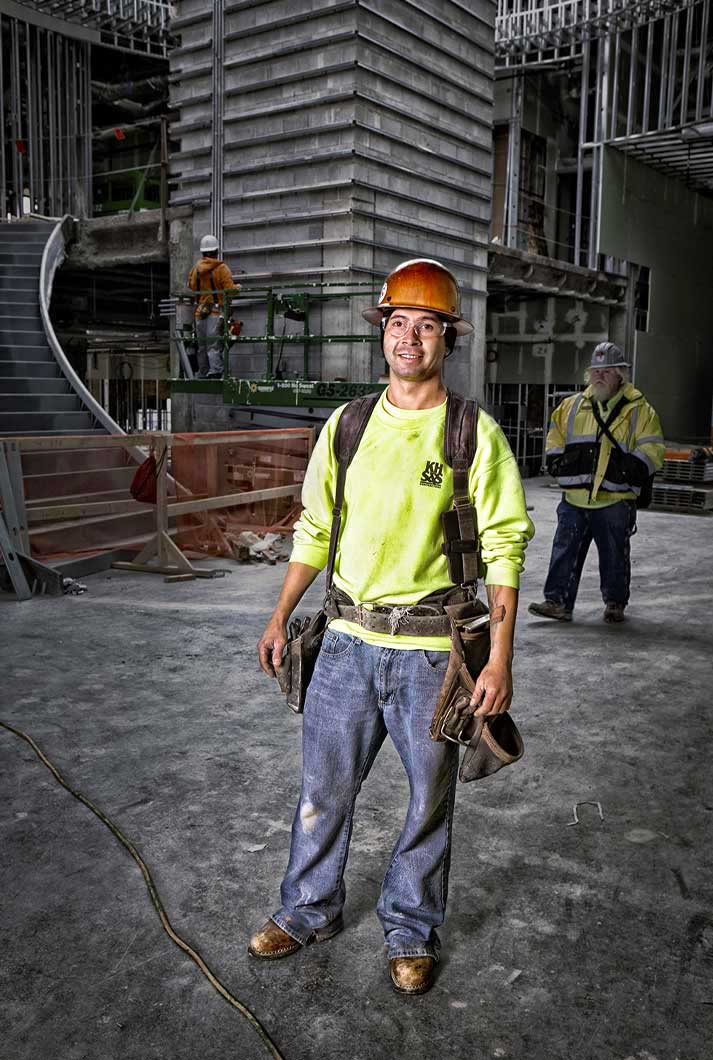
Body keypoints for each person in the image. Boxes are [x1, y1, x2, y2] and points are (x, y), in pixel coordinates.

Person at [250, 259, 534, 995]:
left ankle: (410, 930)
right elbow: (314, 527)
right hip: (344, 644)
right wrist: (282, 613)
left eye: (428, 325)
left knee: (427, 802)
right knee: (322, 791)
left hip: (431, 656)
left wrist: (498, 658)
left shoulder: (473, 433)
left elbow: (504, 547)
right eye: (399, 323)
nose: (411, 338)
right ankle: (307, 911)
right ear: (382, 333)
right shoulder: (346, 427)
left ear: (447, 338)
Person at [529, 341, 664, 624]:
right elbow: (555, 436)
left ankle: (615, 603)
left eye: (607, 370)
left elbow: (652, 449)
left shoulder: (641, 410)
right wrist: (556, 462)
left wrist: (628, 470)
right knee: (564, 552)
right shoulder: (572, 406)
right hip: (574, 498)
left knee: (614, 555)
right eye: (596, 371)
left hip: (615, 500)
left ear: (620, 375)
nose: (600, 376)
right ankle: (557, 602)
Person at [187, 234, 237, 378]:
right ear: (216, 251)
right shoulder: (221, 268)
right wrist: (238, 287)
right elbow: (230, 290)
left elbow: (191, 286)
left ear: (203, 252)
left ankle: (203, 372)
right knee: (214, 345)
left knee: (201, 346)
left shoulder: (195, 269)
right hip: (215, 312)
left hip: (200, 312)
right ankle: (216, 371)